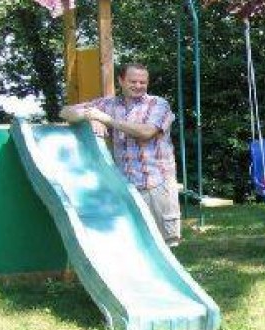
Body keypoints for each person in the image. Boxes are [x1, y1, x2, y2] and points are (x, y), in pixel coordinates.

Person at [59, 62, 181, 247]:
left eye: (143, 82)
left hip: (157, 183)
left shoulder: (158, 104)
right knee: (134, 241)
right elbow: (65, 111)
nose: (138, 86)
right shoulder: (108, 104)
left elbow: (146, 132)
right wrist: (89, 117)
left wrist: (106, 119)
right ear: (121, 81)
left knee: (164, 242)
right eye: (133, 81)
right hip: (127, 186)